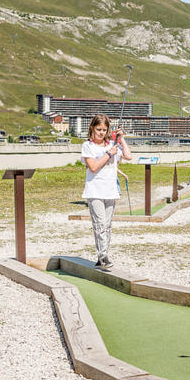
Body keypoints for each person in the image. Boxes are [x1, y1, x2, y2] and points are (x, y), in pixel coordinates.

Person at [81, 114, 132, 270]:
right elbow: (94, 167)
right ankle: (103, 257)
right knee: (100, 224)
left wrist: (121, 139)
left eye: (104, 130)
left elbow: (128, 156)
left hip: (110, 191)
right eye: (98, 129)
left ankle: (101, 257)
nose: (101, 133)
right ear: (92, 128)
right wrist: (108, 154)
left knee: (107, 226)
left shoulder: (112, 144)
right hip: (95, 191)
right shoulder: (88, 146)